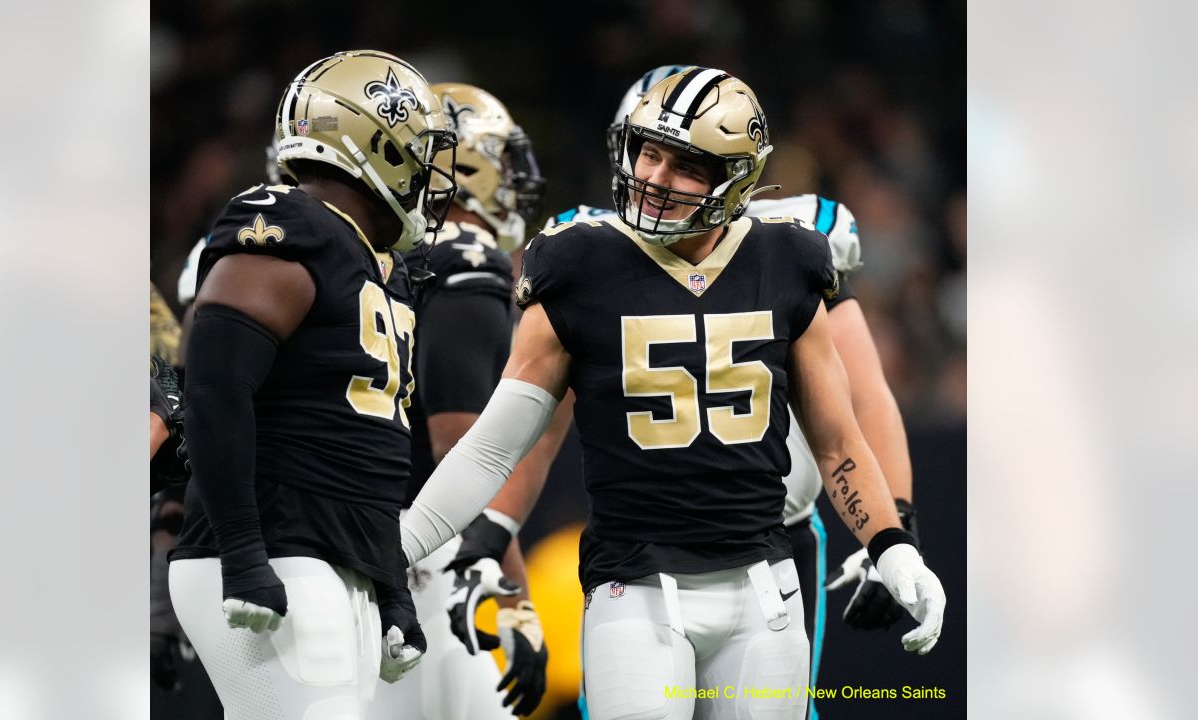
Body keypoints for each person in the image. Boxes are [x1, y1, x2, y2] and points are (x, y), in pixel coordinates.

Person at [401, 67, 945, 720]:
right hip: (636, 588)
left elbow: (840, 436)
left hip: (765, 585)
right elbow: (495, 447)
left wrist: (892, 539)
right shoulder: (577, 261)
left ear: (737, 177)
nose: (655, 177)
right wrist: (403, 549)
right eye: (647, 151)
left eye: (685, 165)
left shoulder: (791, 256)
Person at [166, 50, 457, 720]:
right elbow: (213, 381)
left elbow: (367, 450)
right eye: (419, 149)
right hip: (276, 546)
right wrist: (242, 550)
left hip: (330, 554)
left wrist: (390, 588)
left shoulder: (373, 262)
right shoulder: (288, 221)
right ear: (378, 142)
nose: (426, 172)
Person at [365, 82, 562, 720]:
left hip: (363, 538)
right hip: (427, 553)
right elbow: (466, 457)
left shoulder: (387, 255)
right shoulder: (466, 259)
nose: (511, 183)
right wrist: (515, 602)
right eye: (499, 162)